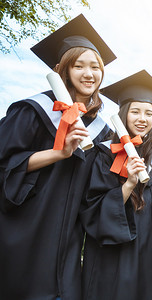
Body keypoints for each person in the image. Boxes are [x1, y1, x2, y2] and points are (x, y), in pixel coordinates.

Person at [0, 14, 115, 300]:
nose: (89, 74)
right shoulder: (33, 111)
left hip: (69, 238)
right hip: (27, 225)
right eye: (79, 66)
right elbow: (4, 164)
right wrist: (59, 153)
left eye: (95, 67)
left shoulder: (102, 131)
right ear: (62, 70)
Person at [80, 70, 152, 299]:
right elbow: (92, 207)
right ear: (124, 114)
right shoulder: (106, 153)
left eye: (149, 113)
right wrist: (128, 184)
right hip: (117, 251)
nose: (142, 119)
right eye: (135, 111)